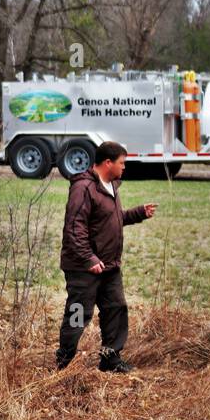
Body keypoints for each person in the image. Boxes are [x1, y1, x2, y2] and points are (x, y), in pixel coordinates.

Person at [55, 141, 155, 372]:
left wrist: (138, 213)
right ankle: (65, 362)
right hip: (83, 268)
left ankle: (110, 360)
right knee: (78, 314)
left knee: (116, 309)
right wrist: (89, 259)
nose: (124, 167)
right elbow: (74, 228)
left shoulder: (111, 186)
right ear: (107, 162)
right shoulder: (83, 188)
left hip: (108, 266)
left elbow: (110, 219)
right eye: (122, 163)